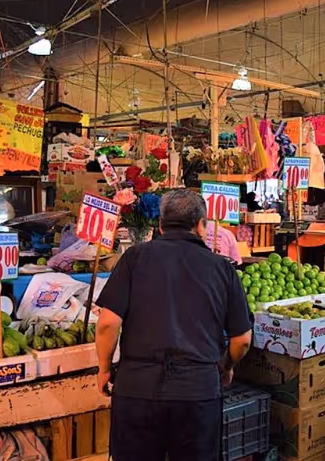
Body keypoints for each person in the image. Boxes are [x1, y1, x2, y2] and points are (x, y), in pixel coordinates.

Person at [95, 189, 253, 461]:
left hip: (136, 390)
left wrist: (104, 369)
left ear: (159, 224)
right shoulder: (223, 268)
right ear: (201, 225)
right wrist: (226, 366)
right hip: (198, 393)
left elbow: (108, 324)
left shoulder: (134, 257)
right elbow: (243, 340)